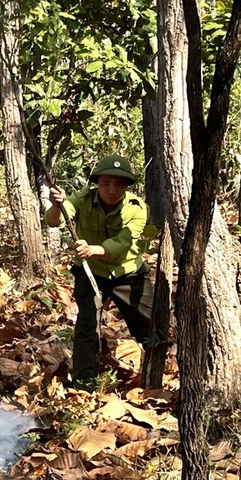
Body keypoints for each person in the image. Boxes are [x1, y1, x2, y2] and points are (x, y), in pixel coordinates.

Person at [45, 155, 153, 388]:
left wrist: (92, 249)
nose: (112, 190)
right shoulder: (82, 199)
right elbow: (54, 222)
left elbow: (124, 241)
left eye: (119, 184)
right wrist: (57, 205)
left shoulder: (137, 208)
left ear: (127, 186)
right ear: (96, 183)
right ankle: (85, 384)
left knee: (149, 327)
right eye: (106, 183)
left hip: (128, 273)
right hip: (90, 272)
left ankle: (156, 377)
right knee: (86, 326)